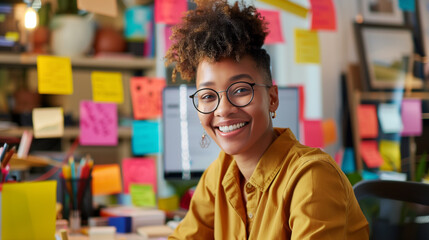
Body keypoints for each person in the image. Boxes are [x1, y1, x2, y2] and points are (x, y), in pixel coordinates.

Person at [165, 0, 369, 239]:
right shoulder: (221, 173)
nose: (223, 110)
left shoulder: (312, 177)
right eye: (208, 95)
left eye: (241, 90)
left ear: (272, 98)